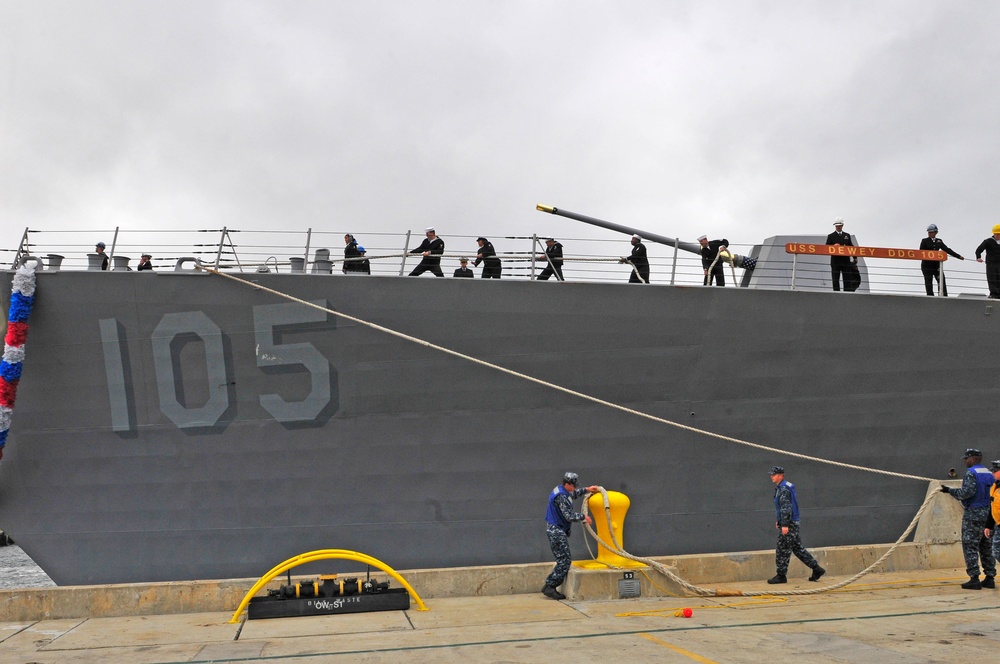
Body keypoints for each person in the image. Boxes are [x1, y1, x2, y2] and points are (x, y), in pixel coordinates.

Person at [940, 448, 996, 589]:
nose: (965, 461)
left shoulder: (971, 473)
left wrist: (950, 491)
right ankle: (990, 577)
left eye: (967, 458)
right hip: (989, 514)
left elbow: (967, 493)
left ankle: (974, 578)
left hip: (974, 514)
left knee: (970, 545)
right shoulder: (990, 473)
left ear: (973, 459)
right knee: (986, 546)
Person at [543, 472, 600, 599]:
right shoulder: (561, 496)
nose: (575, 488)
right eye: (573, 485)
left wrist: (586, 490)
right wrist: (583, 517)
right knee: (564, 561)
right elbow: (568, 515)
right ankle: (550, 586)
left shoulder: (560, 490)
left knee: (563, 559)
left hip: (555, 530)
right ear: (567, 484)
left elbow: (571, 495)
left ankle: (550, 585)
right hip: (556, 531)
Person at [768, 465, 825, 584]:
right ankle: (817, 569)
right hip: (792, 522)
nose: (771, 477)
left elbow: (786, 508)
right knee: (797, 548)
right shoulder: (785, 487)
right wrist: (780, 521)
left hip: (789, 524)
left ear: (780, 475)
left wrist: (784, 525)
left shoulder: (783, 489)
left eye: (773, 475)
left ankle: (781, 575)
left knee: (782, 548)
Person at [919, 224, 963, 296]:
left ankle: (943, 295)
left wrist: (958, 256)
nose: (930, 234)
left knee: (941, 281)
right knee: (928, 281)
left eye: (931, 232)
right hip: (927, 265)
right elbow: (921, 252)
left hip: (936, 265)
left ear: (935, 232)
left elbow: (947, 249)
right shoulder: (924, 241)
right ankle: (930, 296)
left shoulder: (939, 241)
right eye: (929, 232)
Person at [826, 219, 855, 292]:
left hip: (845, 261)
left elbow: (851, 247)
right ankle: (836, 293)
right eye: (836, 225)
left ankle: (848, 293)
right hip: (835, 261)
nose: (838, 227)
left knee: (847, 278)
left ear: (842, 225)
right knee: (835, 278)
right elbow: (826, 247)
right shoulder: (831, 236)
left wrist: (855, 257)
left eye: (839, 225)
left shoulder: (847, 235)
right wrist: (833, 246)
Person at [975, 225, 1000, 298]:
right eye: (996, 234)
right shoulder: (988, 241)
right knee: (992, 278)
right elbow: (979, 250)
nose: (998, 235)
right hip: (991, 263)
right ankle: (994, 293)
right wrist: (978, 257)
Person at [985, 460, 1000, 573]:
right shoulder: (995, 487)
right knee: (996, 552)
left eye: (995, 471)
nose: (993, 473)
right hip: (998, 525)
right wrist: (988, 526)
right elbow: (992, 507)